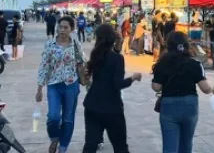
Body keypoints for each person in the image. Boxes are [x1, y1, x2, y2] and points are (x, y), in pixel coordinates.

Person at [152, 31, 214, 153]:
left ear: (169, 46)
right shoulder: (195, 64)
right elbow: (205, 88)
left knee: (169, 148)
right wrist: (213, 88)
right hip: (189, 106)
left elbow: (156, 87)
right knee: (186, 145)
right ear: (187, 45)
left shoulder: (162, 64)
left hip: (169, 106)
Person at [82, 24, 141, 153]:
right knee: (120, 147)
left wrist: (118, 42)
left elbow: (109, 58)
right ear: (112, 38)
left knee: (90, 145)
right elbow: (118, 84)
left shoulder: (95, 55)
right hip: (112, 108)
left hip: (92, 105)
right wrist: (133, 77)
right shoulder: (117, 59)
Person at [36, 16, 86, 153]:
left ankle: (63, 148)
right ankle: (54, 138)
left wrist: (86, 79)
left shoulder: (76, 45)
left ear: (71, 29)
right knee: (53, 117)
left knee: (68, 119)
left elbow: (82, 64)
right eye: (60, 27)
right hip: (54, 85)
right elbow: (44, 66)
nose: (62, 30)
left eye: (66, 27)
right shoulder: (50, 45)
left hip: (71, 85)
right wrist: (39, 88)